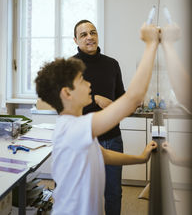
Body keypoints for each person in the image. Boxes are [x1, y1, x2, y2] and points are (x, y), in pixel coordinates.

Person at [35, 23, 159, 215]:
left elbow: (103, 154)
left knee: (113, 192)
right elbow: (132, 98)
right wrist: (151, 44)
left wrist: (141, 158)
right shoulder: (74, 129)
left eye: (93, 32)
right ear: (67, 93)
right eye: (82, 81)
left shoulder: (75, 128)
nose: (89, 85)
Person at [73, 19, 125, 215]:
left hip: (112, 138)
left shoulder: (112, 64)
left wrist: (123, 104)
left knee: (114, 193)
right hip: (83, 141)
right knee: (85, 194)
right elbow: (62, 105)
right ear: (75, 40)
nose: (89, 37)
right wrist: (95, 99)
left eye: (93, 33)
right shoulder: (69, 66)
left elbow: (121, 97)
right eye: (84, 34)